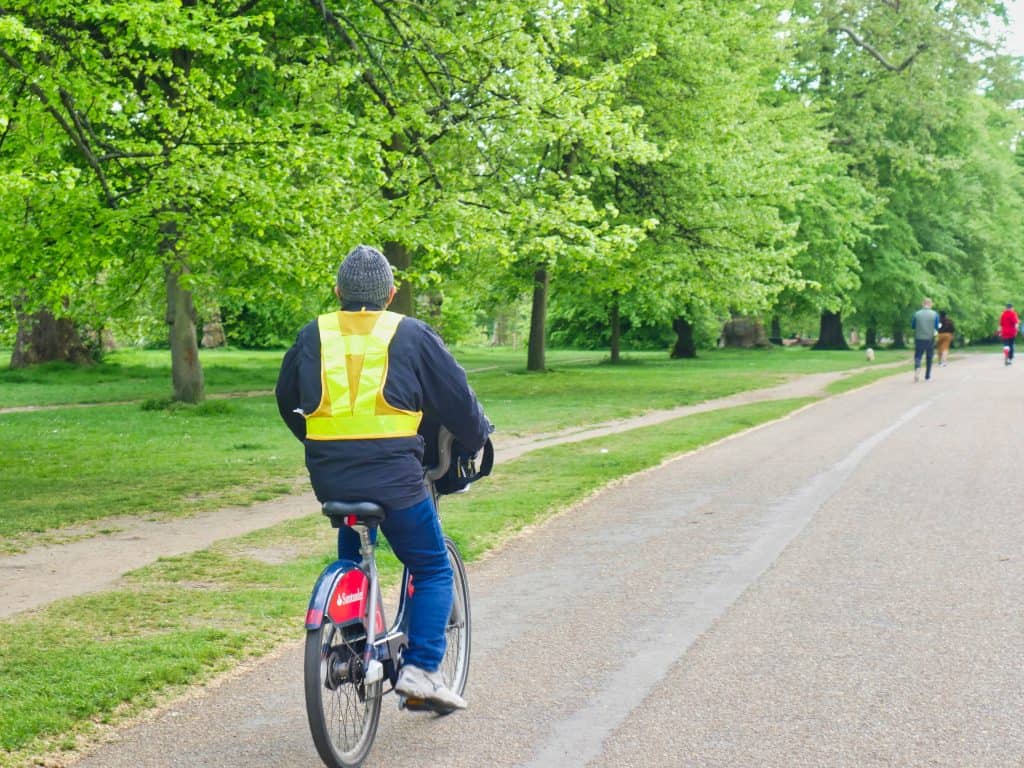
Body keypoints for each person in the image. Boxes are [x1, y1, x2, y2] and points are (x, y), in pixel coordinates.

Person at [275, 245, 490, 711]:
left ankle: (352, 638)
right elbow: (457, 399)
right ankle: (421, 670)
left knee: (356, 539)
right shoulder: (410, 334)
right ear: (391, 294)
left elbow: (285, 398)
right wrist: (476, 440)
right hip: (396, 478)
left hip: (331, 477)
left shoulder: (313, 334)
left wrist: (320, 443)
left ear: (338, 292)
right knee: (433, 567)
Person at [911, 297, 939, 382]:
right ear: (930, 304)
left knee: (918, 356)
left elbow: (913, 326)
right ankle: (927, 377)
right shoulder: (935, 314)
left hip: (919, 338)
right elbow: (936, 327)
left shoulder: (916, 314)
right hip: (930, 339)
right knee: (929, 357)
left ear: (923, 304)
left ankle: (918, 367)